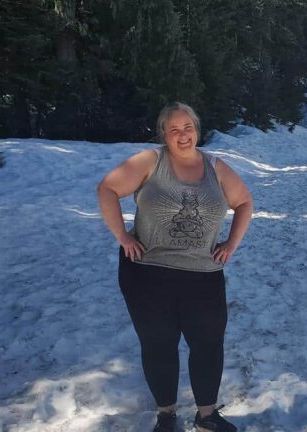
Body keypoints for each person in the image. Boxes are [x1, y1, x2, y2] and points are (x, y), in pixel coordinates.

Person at [96, 102, 253, 432]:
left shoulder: (216, 168)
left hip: (204, 275)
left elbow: (244, 202)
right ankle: (166, 415)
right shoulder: (150, 163)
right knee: (159, 345)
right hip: (148, 273)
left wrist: (231, 243)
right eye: (174, 129)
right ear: (164, 134)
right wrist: (123, 236)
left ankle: (207, 416)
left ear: (197, 129)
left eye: (188, 127)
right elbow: (108, 188)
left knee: (208, 344)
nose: (183, 135)